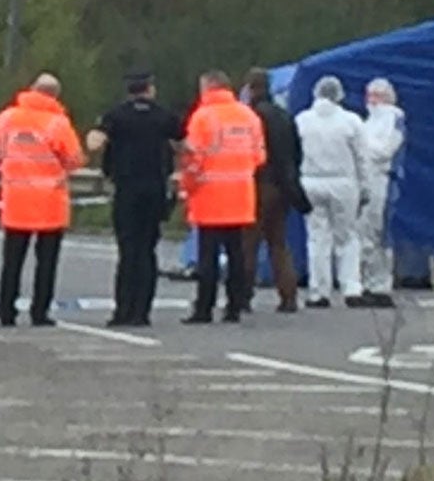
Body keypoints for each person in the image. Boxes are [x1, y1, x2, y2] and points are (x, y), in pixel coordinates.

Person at [0, 73, 85, 328]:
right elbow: (75, 159)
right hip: (49, 202)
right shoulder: (58, 123)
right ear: (55, 96)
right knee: (47, 262)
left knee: (12, 260)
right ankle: (39, 312)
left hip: (16, 199)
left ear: (31, 89)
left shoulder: (6, 118)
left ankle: (6, 312)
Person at [87, 69, 178, 327]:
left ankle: (122, 310)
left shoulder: (116, 115)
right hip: (155, 189)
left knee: (128, 251)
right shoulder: (164, 116)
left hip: (126, 189)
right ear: (150, 89)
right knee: (148, 251)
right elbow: (185, 143)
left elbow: (95, 143)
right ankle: (142, 312)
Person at [178, 71, 265, 324]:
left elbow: (193, 158)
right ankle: (235, 306)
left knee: (208, 257)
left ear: (208, 88)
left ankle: (204, 308)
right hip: (241, 194)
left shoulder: (203, 117)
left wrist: (187, 187)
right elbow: (259, 157)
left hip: (210, 197)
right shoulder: (249, 116)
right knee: (237, 254)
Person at [293, 74, 368, 308]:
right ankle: (351, 287)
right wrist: (364, 187)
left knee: (317, 238)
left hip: (311, 181)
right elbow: (362, 157)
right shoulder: (351, 121)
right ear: (339, 95)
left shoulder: (302, 120)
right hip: (344, 182)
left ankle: (319, 291)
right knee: (346, 237)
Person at [240, 67, 307, 314]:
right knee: (278, 243)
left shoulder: (250, 117)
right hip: (282, 185)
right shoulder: (284, 115)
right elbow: (296, 152)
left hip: (258, 183)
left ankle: (243, 295)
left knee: (248, 243)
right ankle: (288, 296)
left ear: (251, 88)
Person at [358, 76, 407, 308]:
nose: (373, 100)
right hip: (367, 180)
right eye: (370, 94)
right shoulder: (369, 121)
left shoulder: (394, 118)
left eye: (378, 95)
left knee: (379, 233)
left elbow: (386, 150)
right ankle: (369, 281)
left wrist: (364, 147)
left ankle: (381, 284)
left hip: (383, 181)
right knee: (366, 233)